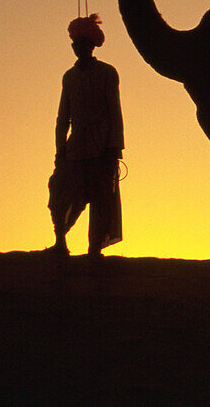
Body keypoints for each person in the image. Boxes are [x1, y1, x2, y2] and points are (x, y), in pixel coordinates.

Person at [46, 14, 124, 258]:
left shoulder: (108, 73)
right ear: (73, 47)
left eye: (83, 44)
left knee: (101, 198)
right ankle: (60, 242)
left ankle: (94, 249)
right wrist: (60, 150)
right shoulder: (69, 77)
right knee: (60, 190)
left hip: (102, 146)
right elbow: (63, 118)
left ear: (91, 46)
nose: (79, 48)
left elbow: (115, 112)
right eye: (76, 44)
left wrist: (115, 147)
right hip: (75, 147)